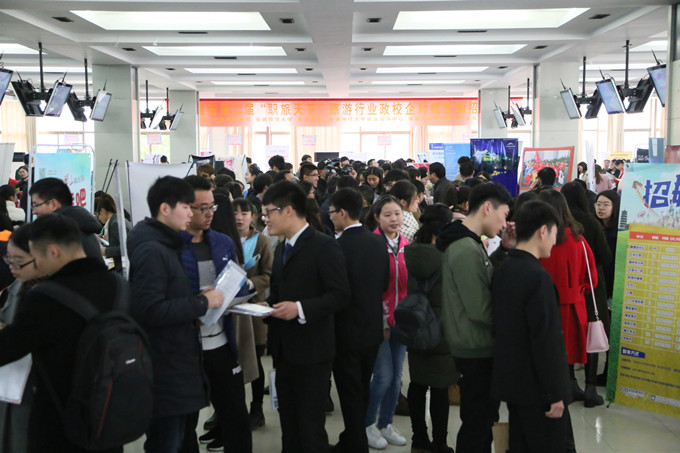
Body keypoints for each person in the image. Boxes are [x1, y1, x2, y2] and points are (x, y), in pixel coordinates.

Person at [0, 214, 126, 453]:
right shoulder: (119, 285)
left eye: (35, 257)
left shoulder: (46, 298)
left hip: (61, 421)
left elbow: (7, 348)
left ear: (53, 252)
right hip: (109, 412)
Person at [127, 176, 224, 453]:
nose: (191, 214)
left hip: (174, 362)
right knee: (166, 442)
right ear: (164, 209)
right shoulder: (152, 250)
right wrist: (201, 303)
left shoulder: (166, 245)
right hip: (163, 365)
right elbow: (150, 309)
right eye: (185, 207)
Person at [262, 181, 350, 453]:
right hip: (283, 350)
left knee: (310, 427)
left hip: (312, 352)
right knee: (288, 423)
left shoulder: (323, 246)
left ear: (288, 210)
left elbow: (340, 295)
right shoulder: (281, 247)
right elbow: (279, 292)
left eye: (268, 212)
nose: (265, 219)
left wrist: (299, 308)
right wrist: (264, 307)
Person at [436, 182, 514, 453]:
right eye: (504, 214)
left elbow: (484, 278)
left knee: (481, 420)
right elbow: (480, 308)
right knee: (478, 423)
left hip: (475, 344)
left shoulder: (470, 243)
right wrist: (514, 326)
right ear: (488, 208)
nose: (504, 223)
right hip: (475, 347)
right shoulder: (465, 248)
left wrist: (503, 251)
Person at [491, 200, 573, 453]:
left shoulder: (505, 269)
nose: (555, 241)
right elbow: (546, 340)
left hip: (514, 384)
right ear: (543, 231)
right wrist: (555, 392)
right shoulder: (538, 278)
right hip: (538, 389)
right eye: (555, 233)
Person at [176, 176, 251, 453]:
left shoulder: (222, 242)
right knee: (184, 424)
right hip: (184, 349)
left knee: (236, 416)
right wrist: (198, 302)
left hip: (221, 343)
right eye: (202, 208)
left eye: (212, 207)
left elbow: (234, 280)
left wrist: (241, 290)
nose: (209, 214)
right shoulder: (169, 247)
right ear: (184, 207)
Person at [327, 188, 389, 453]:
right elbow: (384, 283)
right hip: (372, 328)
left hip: (345, 331)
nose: (330, 217)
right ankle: (352, 439)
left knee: (349, 392)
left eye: (332, 212)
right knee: (362, 387)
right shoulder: (377, 241)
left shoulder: (335, 246)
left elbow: (334, 292)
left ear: (342, 213)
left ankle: (356, 444)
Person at [537, 189, 600, 407]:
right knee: (575, 347)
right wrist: (579, 289)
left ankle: (562, 389)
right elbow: (592, 277)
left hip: (545, 305)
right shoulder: (578, 240)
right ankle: (580, 388)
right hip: (575, 305)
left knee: (552, 352)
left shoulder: (539, 240)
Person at [405, 204, 458, 453]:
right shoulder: (448, 256)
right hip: (442, 329)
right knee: (439, 387)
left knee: (417, 383)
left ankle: (418, 439)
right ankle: (439, 442)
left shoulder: (411, 252)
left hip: (416, 325)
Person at [364, 194, 410, 450]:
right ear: (377, 217)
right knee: (382, 376)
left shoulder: (406, 244)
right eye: (388, 214)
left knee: (396, 378)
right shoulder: (372, 245)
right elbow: (369, 288)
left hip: (401, 321)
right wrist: (381, 321)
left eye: (398, 213)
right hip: (378, 322)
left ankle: (385, 423)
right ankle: (368, 424)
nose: (394, 219)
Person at [561, 182, 612, 398]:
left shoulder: (559, 222)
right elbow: (605, 256)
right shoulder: (590, 221)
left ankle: (571, 382)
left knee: (568, 333)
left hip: (569, 286)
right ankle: (591, 386)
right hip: (591, 284)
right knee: (593, 332)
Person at [0, 224, 46, 453]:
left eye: (18, 261)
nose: (11, 267)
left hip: (31, 389)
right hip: (10, 384)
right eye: (8, 260)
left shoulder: (47, 296)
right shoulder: (17, 286)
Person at [233, 198, 274, 430]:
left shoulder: (261, 241)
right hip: (230, 309)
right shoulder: (223, 241)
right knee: (229, 363)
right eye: (235, 213)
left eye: (244, 213)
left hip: (254, 307)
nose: (239, 218)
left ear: (253, 216)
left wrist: (249, 283)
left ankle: (256, 409)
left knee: (255, 361)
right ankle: (226, 411)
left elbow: (268, 274)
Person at [29, 177, 104, 263]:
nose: (33, 212)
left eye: (35, 205)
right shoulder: (81, 227)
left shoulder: (59, 235)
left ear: (53, 204)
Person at [594, 189, 620, 386]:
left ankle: (608, 373)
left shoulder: (617, 233)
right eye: (598, 204)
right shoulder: (594, 228)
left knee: (611, 333)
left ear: (615, 207)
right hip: (596, 286)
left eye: (606, 205)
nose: (601, 208)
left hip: (611, 289)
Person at [95, 193, 132, 272]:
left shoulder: (115, 224)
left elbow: (125, 248)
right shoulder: (118, 220)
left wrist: (105, 251)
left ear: (102, 211)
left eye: (96, 215)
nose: (98, 219)